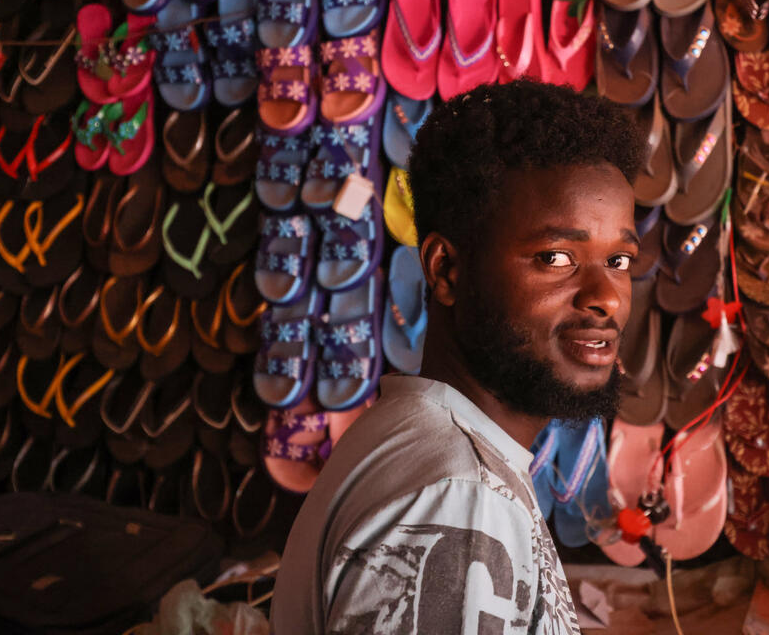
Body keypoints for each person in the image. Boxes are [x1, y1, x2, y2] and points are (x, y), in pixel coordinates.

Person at [270, 80, 645, 634]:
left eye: (618, 259)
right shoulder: (460, 499)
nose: (607, 297)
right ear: (447, 270)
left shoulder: (422, 438)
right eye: (556, 257)